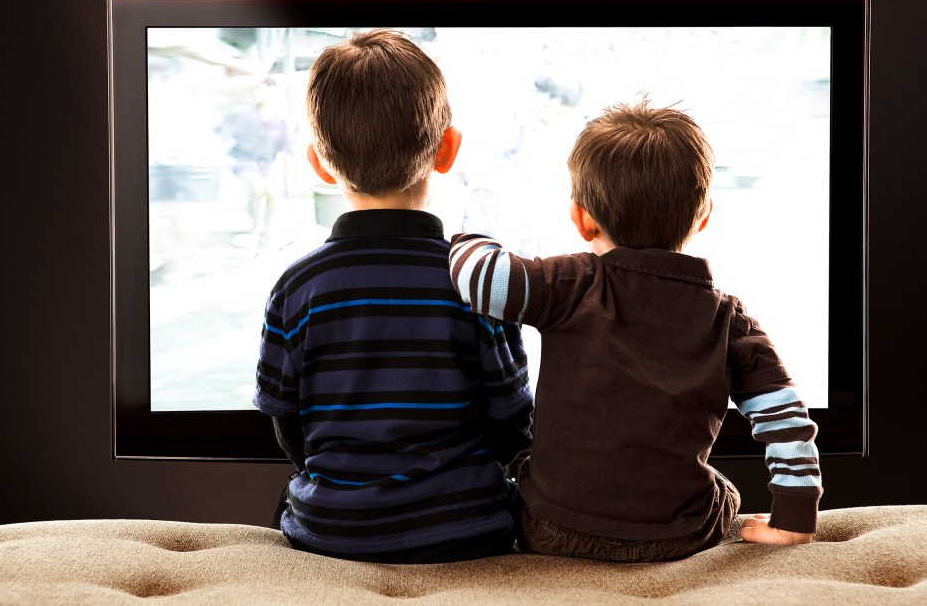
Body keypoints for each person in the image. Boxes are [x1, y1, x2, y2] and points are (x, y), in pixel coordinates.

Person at [449, 98, 822, 562]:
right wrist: (794, 519)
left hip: (551, 527)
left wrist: (469, 238)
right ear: (703, 215)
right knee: (723, 491)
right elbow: (785, 419)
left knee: (529, 466)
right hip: (677, 535)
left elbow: (480, 278)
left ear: (582, 218)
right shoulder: (728, 319)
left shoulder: (571, 283)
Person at [252, 29, 534, 563]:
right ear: (448, 149)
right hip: (465, 529)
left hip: (332, 531)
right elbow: (511, 421)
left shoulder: (295, 287)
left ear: (319, 163)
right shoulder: (474, 281)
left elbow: (286, 425)